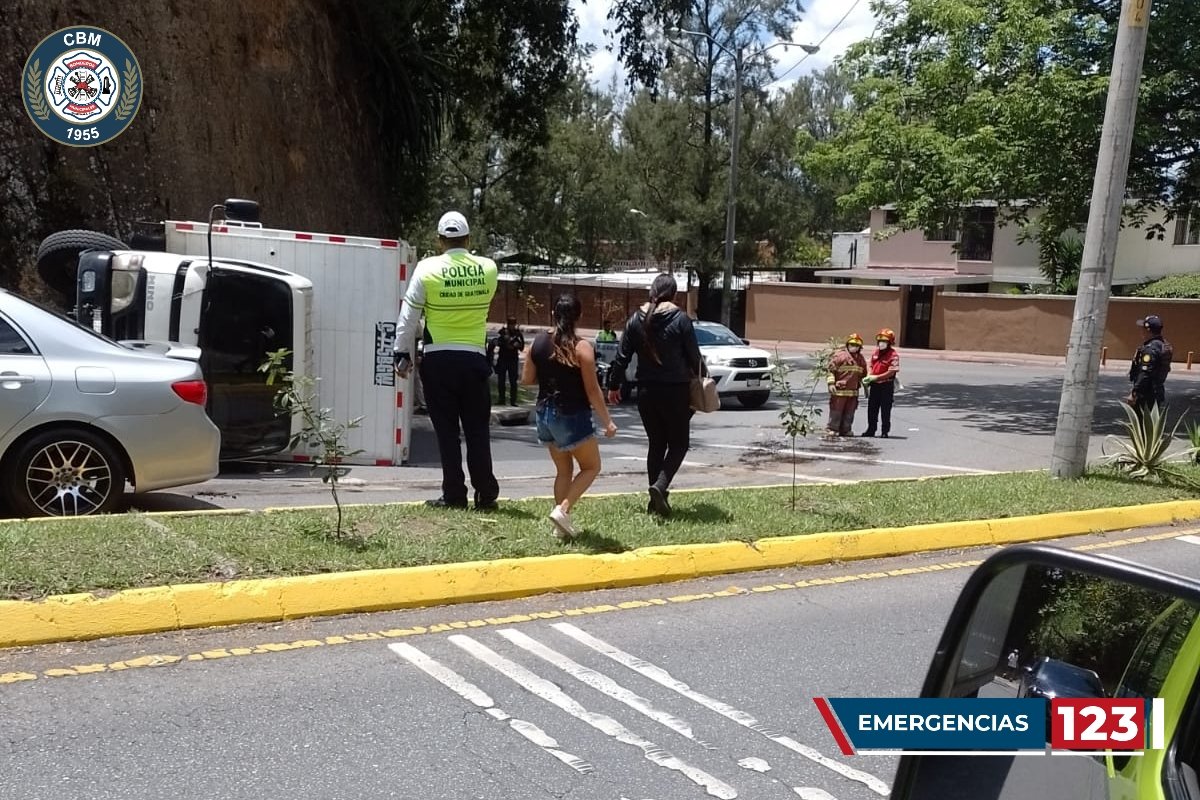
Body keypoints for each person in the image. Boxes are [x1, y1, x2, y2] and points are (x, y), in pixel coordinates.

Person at [394, 210, 500, 510]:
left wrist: (402, 354)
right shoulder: (488, 269)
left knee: (447, 432)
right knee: (478, 429)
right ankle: (486, 493)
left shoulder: (427, 270)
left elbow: (409, 315)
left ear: (440, 240)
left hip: (438, 360)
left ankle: (454, 494)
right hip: (475, 359)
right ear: (469, 238)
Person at [605, 273, 704, 518]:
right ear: (675, 295)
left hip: (646, 392)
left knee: (657, 444)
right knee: (679, 444)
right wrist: (704, 380)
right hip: (676, 392)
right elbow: (694, 357)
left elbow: (621, 357)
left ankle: (654, 503)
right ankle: (659, 486)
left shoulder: (635, 319)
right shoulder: (681, 319)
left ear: (651, 291)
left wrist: (613, 385)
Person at [522, 294, 618, 539]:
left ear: (554, 314)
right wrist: (607, 420)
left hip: (544, 413)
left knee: (563, 471)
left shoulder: (538, 343)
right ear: (579, 316)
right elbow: (592, 389)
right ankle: (562, 510)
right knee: (591, 466)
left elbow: (527, 380)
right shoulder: (581, 346)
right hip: (571, 414)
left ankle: (560, 528)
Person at [1127, 314, 1173, 417]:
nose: (1141, 331)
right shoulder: (1162, 344)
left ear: (1148, 330)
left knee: (1141, 425)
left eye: (1143, 328)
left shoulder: (1150, 349)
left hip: (1146, 394)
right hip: (1156, 391)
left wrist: (1134, 393)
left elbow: (1145, 373)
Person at [826, 333, 868, 437]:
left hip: (853, 393)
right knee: (836, 411)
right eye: (852, 345)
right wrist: (831, 384)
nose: (854, 347)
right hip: (839, 392)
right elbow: (830, 371)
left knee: (850, 413)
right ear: (848, 345)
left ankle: (846, 430)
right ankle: (832, 428)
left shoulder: (860, 359)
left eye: (856, 346)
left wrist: (867, 386)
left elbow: (864, 375)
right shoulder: (840, 356)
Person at [861, 328, 900, 438]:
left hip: (886, 386)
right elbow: (871, 365)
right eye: (880, 341)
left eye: (885, 341)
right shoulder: (876, 353)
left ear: (890, 343)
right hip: (875, 386)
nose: (881, 343)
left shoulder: (893, 355)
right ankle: (871, 429)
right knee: (872, 408)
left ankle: (884, 431)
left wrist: (876, 377)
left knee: (885, 409)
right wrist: (869, 375)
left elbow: (891, 372)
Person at [489, 317, 525, 405]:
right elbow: (495, 343)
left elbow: (522, 347)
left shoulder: (517, 334)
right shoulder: (502, 332)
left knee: (513, 381)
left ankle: (513, 401)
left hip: (513, 359)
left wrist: (517, 345)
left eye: (513, 324)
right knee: (501, 380)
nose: (512, 326)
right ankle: (501, 400)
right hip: (503, 359)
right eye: (510, 324)